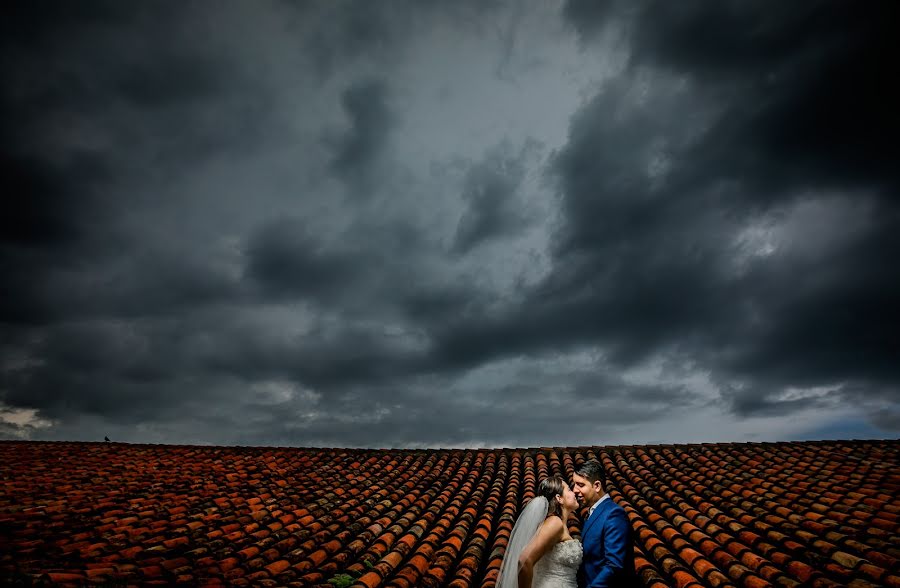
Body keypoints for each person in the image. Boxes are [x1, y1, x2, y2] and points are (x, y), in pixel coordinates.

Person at [498, 475, 583, 588]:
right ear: (559, 498)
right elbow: (524, 560)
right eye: (569, 489)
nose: (574, 492)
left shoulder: (560, 524)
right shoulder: (554, 522)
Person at [572, 460, 636, 588]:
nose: (574, 490)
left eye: (580, 485)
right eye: (574, 484)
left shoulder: (614, 514)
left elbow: (614, 565)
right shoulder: (591, 513)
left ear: (596, 486)